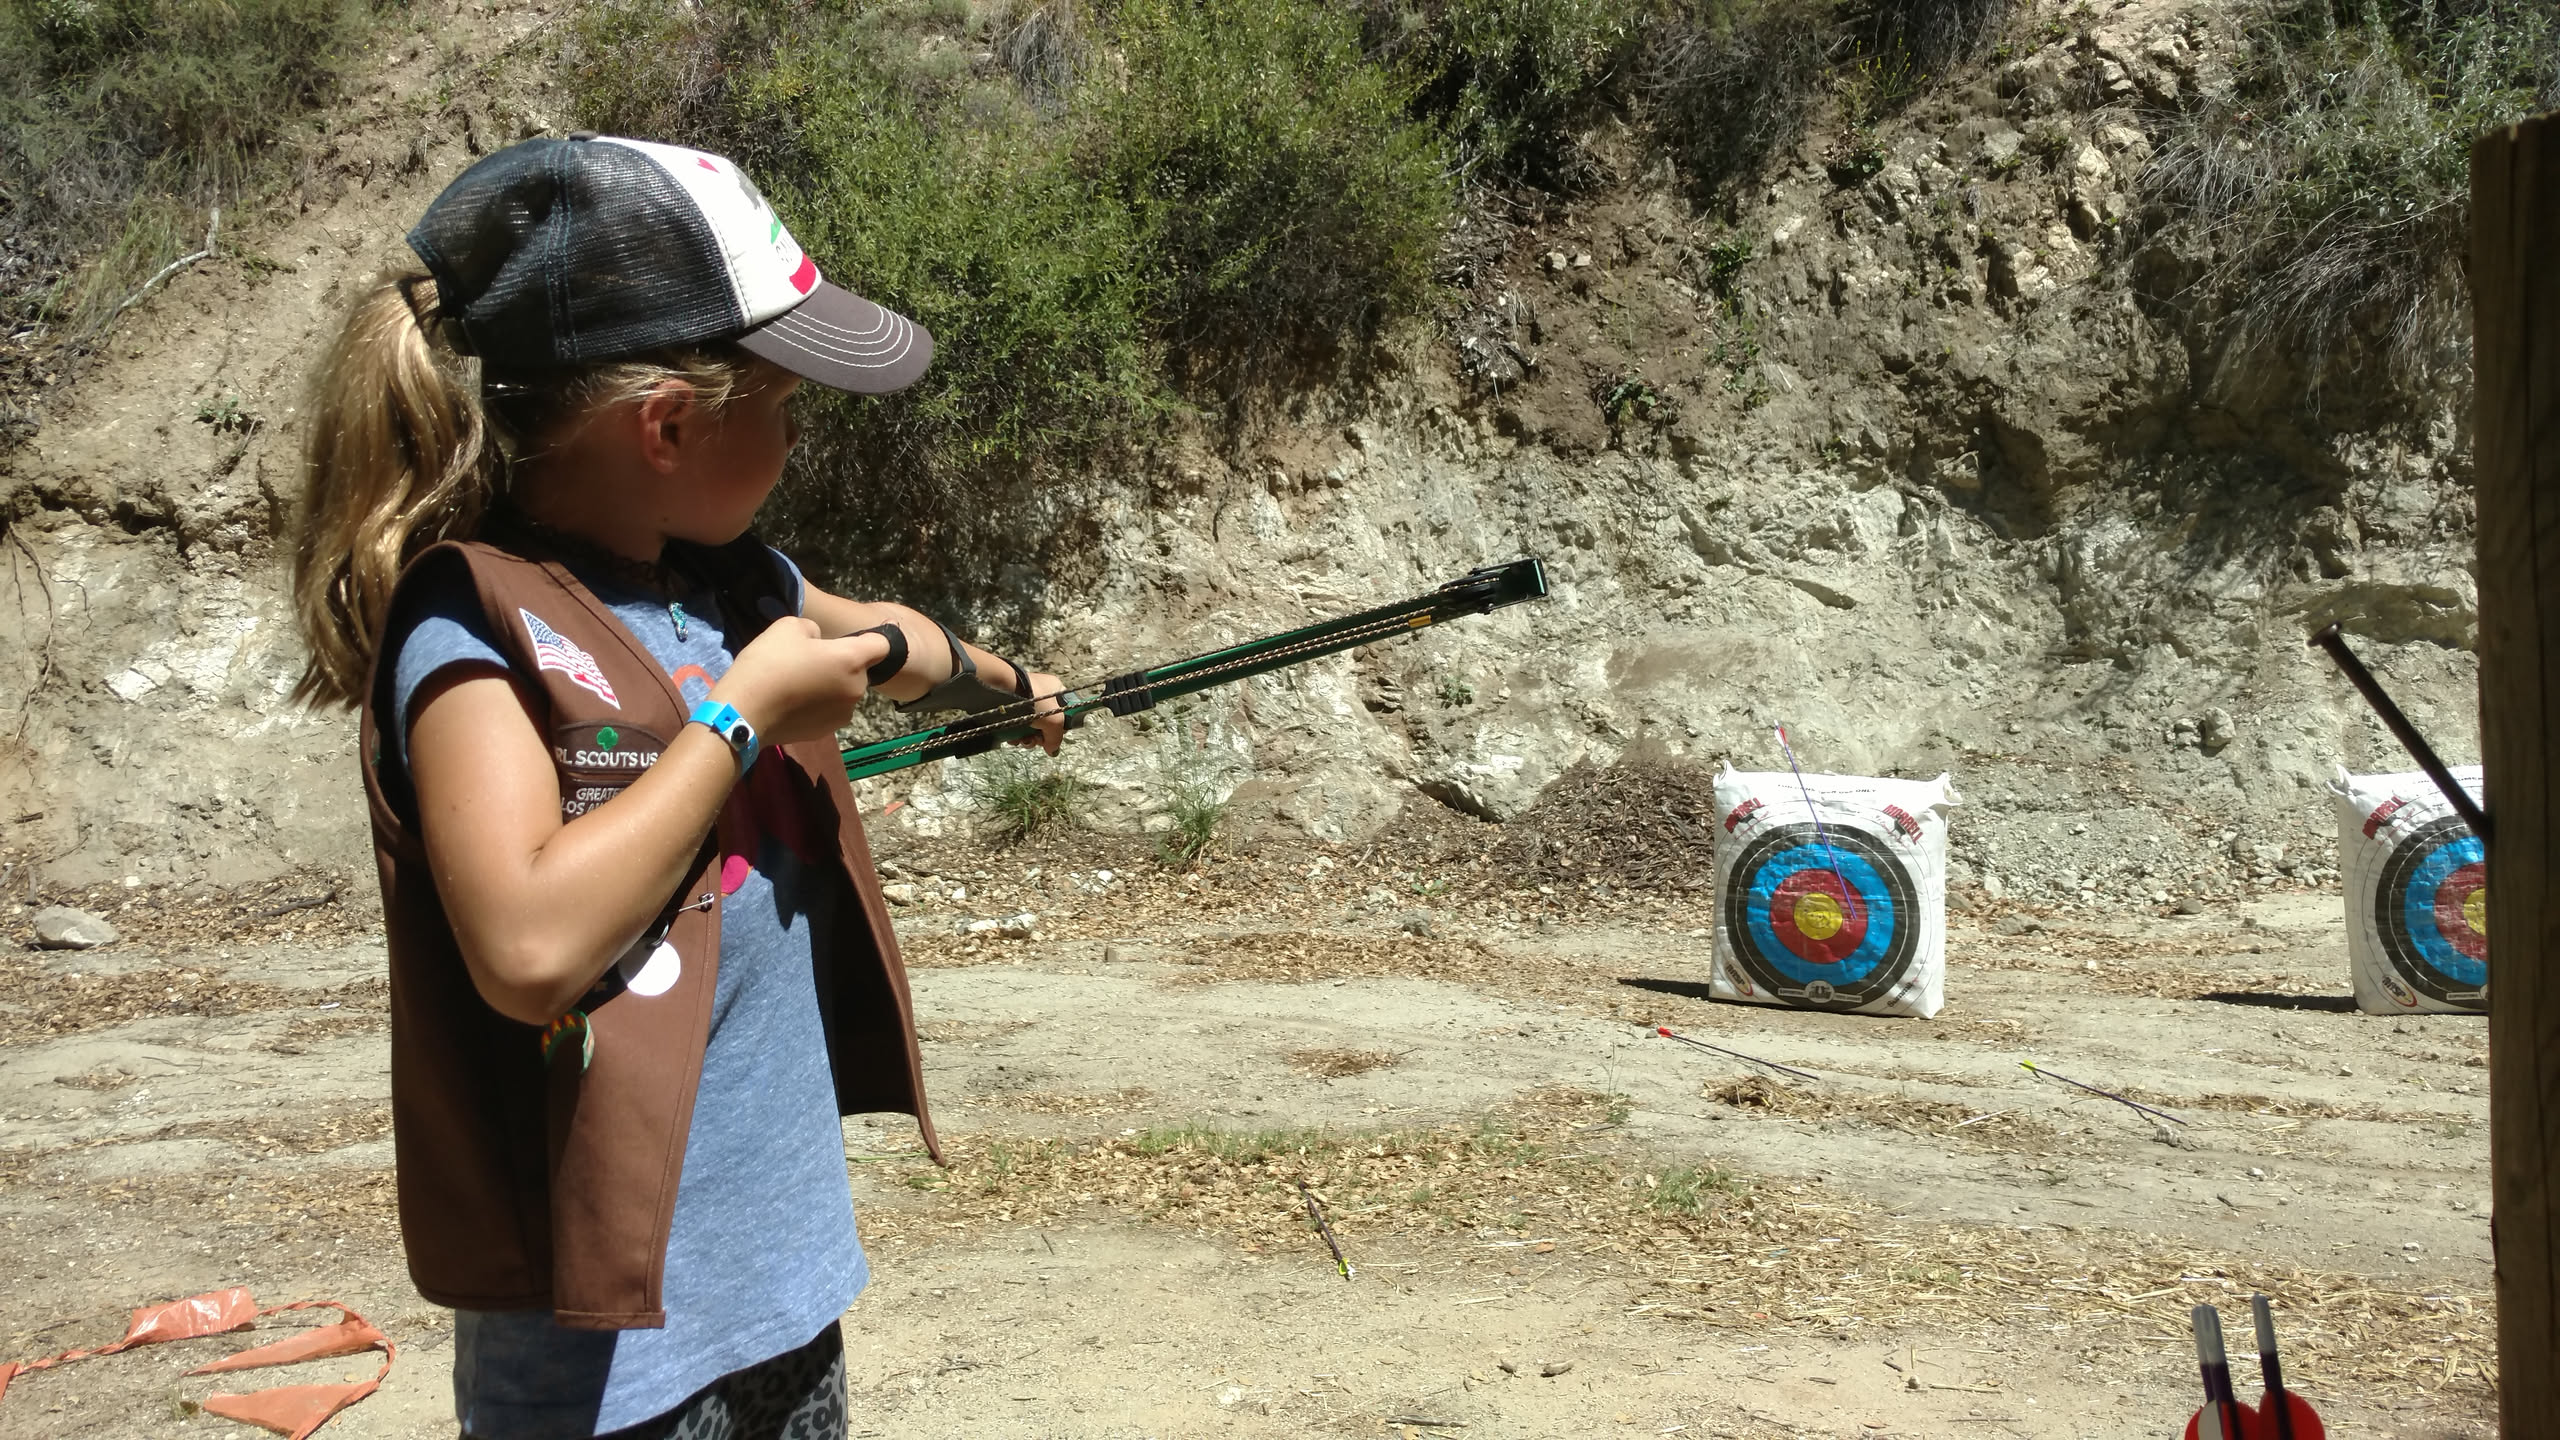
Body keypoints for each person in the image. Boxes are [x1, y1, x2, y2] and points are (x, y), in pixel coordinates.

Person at [286, 133, 1065, 1440]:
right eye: (786, 405)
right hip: (606, 1369)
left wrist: (1006, 681)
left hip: (781, 1300)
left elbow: (888, 637)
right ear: (667, 424)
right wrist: (742, 718)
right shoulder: (472, 627)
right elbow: (529, 947)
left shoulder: (726, 579)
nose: (796, 436)